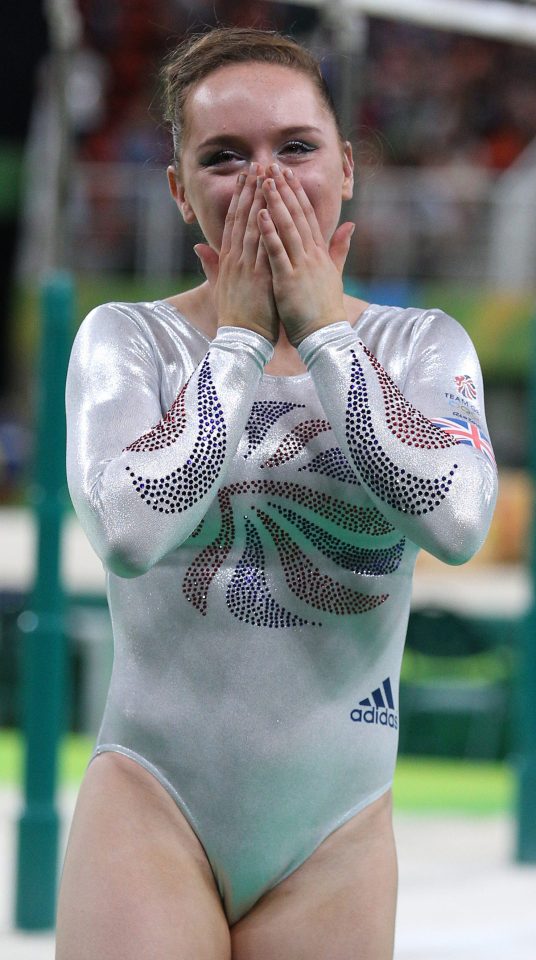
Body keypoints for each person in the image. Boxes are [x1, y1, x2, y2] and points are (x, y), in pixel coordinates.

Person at [56, 26, 498, 960]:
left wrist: (329, 336)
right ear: (179, 191)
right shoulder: (126, 341)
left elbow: (458, 523)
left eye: (294, 147)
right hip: (155, 807)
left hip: (332, 833)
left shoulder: (425, 347)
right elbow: (131, 531)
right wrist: (242, 343)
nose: (265, 180)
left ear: (345, 167)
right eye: (225, 156)